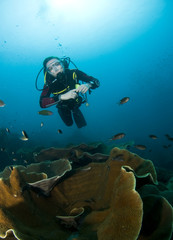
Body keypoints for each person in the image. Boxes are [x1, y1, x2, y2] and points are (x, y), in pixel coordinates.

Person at [39, 56, 100, 128]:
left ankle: (76, 113)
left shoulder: (74, 72)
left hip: (75, 103)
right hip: (62, 106)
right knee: (69, 124)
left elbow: (96, 81)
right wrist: (62, 97)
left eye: (57, 64)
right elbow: (42, 103)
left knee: (82, 124)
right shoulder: (49, 83)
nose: (55, 69)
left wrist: (88, 85)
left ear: (62, 64)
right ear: (48, 72)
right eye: (50, 68)